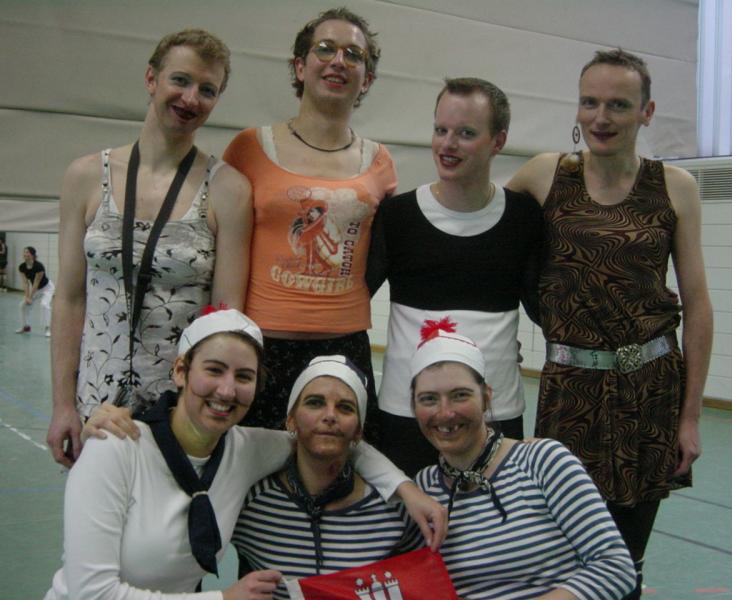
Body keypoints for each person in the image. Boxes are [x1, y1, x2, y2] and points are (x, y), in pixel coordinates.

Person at [45, 309, 447, 600]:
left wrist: (405, 490)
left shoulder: (247, 449)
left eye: (243, 377)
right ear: (181, 371)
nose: (226, 390)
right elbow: (91, 593)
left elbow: (328, 439)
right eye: (214, 370)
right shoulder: (115, 446)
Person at [507, 48, 714, 598]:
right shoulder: (544, 175)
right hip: (569, 391)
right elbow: (488, 242)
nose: (601, 117)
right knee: (564, 555)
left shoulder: (675, 186)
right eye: (590, 102)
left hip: (650, 391)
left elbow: (697, 304)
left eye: (618, 105)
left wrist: (690, 416)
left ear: (647, 112)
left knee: (627, 559)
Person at [47, 29, 253, 468]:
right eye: (180, 80)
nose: (191, 98)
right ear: (151, 79)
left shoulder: (229, 190)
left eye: (208, 90)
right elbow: (69, 298)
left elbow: (226, 316)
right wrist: (63, 404)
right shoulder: (85, 176)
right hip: (95, 408)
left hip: (181, 412)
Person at [223, 8, 396, 440]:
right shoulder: (248, 148)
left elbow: (381, 256)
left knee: (340, 466)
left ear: (367, 80)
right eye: (325, 49)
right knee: (254, 465)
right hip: (262, 345)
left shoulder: (380, 161)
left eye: (353, 55)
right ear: (300, 67)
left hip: (344, 346)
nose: (339, 61)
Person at [367, 77, 543, 476]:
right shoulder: (397, 216)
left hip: (495, 414)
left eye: (465, 133)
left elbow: (544, 310)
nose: (447, 144)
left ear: (498, 141)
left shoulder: (523, 217)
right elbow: (350, 302)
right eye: (440, 130)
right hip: (406, 412)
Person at [410, 324, 636, 599]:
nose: (445, 413)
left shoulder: (543, 462)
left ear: (486, 397)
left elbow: (616, 567)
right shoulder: (421, 490)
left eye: (460, 395)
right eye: (429, 399)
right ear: (413, 408)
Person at [233, 356, 423, 599]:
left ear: (358, 431)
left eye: (345, 407)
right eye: (315, 403)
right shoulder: (251, 503)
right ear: (291, 420)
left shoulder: (394, 509)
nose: (330, 415)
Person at [16, 246, 55, 336]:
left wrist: (30, 297)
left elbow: (36, 283)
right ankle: (26, 327)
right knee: (23, 305)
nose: (25, 254)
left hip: (47, 288)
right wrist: (27, 297)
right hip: (37, 289)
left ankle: (48, 329)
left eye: (27, 252)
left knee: (44, 305)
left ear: (32, 255)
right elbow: (25, 283)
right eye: (24, 252)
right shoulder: (22, 267)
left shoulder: (39, 266)